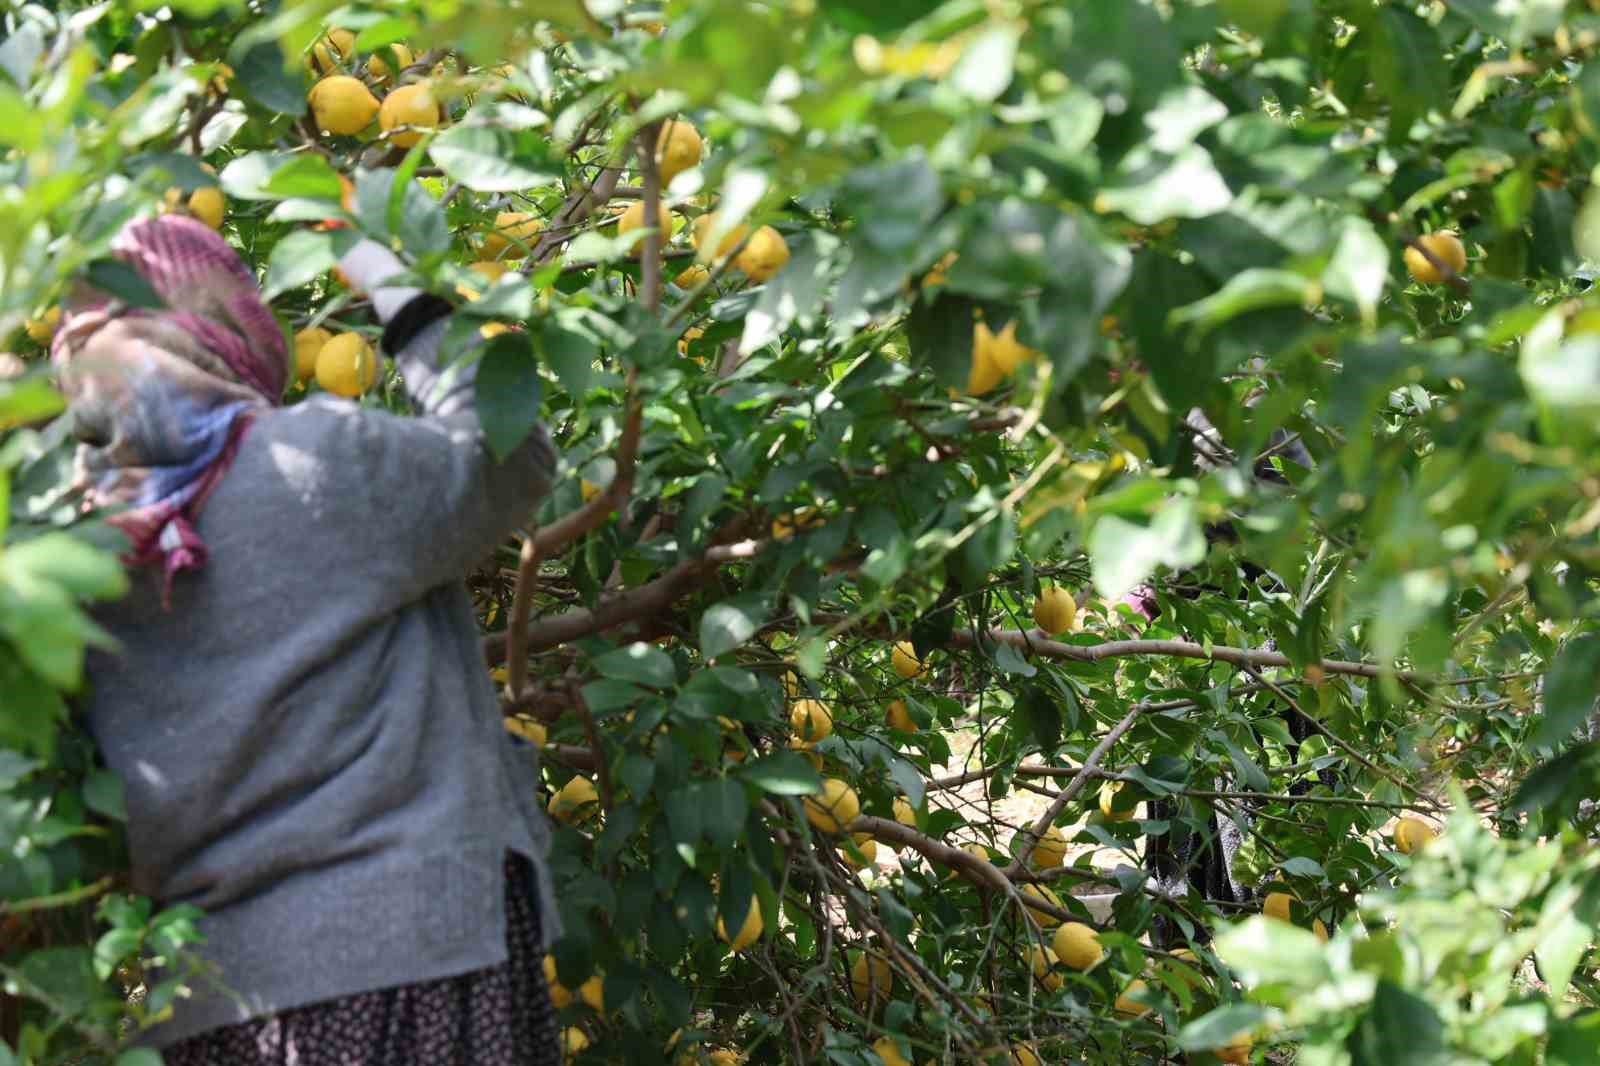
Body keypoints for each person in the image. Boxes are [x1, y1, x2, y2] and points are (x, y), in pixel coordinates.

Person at [51, 212, 563, 1064]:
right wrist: (391, 276)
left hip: (211, 1005)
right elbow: (509, 450)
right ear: (228, 324)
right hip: (407, 963)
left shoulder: (66, 552)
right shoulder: (319, 463)